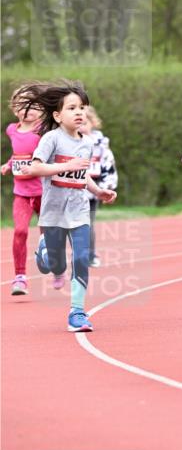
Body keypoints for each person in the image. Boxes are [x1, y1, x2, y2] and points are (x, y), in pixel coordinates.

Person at [17, 80, 117, 332]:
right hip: (53, 212)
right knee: (56, 266)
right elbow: (36, 167)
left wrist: (98, 190)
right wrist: (65, 166)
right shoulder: (51, 138)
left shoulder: (86, 142)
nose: (80, 112)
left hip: (79, 209)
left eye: (82, 107)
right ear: (57, 115)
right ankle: (45, 252)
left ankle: (77, 312)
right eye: (72, 108)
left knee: (81, 258)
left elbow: (81, 175)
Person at [2, 85, 44, 295]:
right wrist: (9, 165)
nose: (27, 109)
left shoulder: (44, 129)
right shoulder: (12, 130)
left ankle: (53, 264)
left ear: (42, 109)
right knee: (20, 231)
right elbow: (18, 154)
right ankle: (20, 277)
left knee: (48, 232)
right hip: (21, 192)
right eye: (21, 105)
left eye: (32, 105)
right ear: (14, 109)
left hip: (44, 192)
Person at [78, 105, 117, 268]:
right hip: (73, 190)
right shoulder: (68, 142)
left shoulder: (101, 146)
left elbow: (109, 165)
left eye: (85, 123)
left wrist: (108, 186)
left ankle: (90, 254)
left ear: (93, 123)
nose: (82, 126)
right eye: (79, 123)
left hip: (94, 192)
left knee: (88, 223)